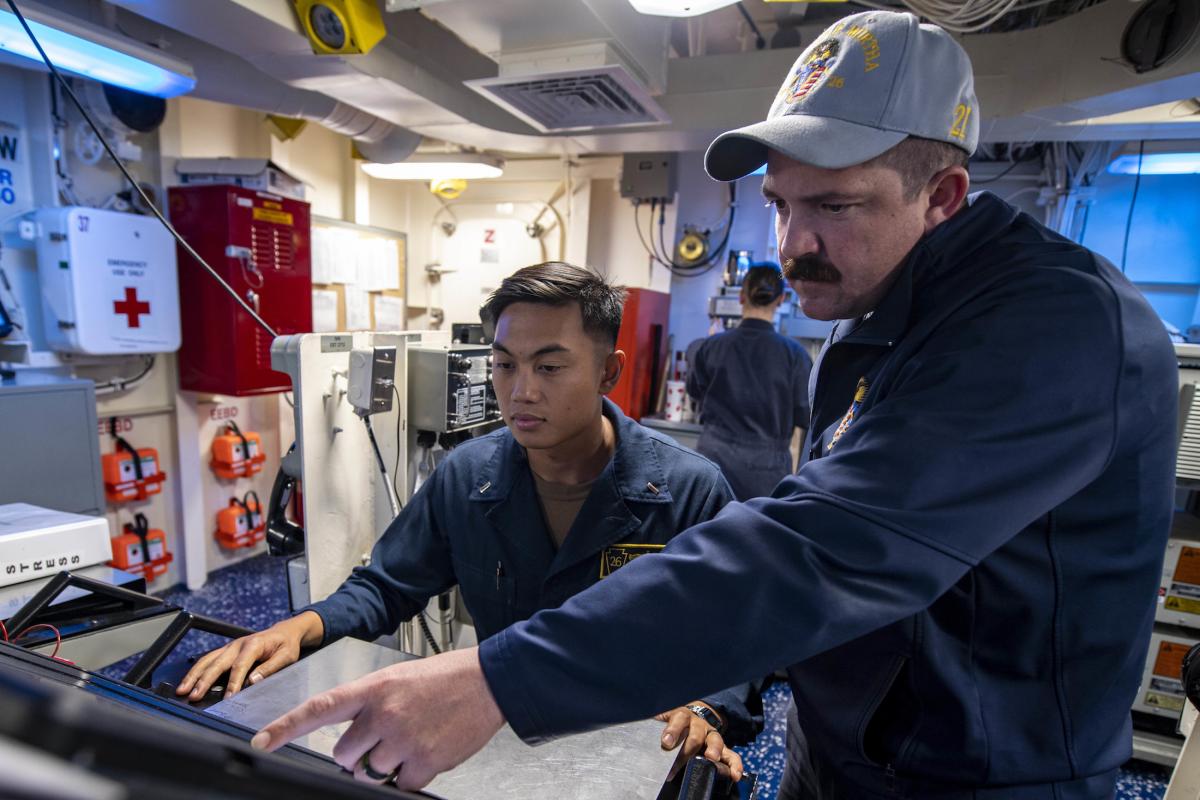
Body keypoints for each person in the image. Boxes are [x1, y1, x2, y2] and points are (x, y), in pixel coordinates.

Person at [251, 11, 1178, 799]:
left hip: (980, 777)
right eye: (779, 204)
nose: (795, 243)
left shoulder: (1048, 327)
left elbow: (815, 554)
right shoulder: (876, 322)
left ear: (942, 197)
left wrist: (500, 678)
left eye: (835, 207)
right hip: (851, 751)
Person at [179, 262, 755, 777]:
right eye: (505, 365)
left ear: (609, 372)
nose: (521, 391)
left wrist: (708, 709)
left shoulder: (687, 491)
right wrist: (297, 629)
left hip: (634, 752)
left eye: (550, 366)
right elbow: (388, 586)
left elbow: (744, 632)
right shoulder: (468, 476)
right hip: (503, 737)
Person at [687, 264, 812, 500]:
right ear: (781, 299)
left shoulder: (711, 347)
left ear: (742, 297)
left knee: (705, 532)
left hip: (711, 465)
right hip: (765, 475)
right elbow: (805, 416)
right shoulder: (795, 356)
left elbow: (694, 391)